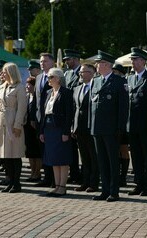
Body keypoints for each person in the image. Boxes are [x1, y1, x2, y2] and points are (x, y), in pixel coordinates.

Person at [90, 50, 129, 202]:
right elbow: (92, 105)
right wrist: (90, 125)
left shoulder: (119, 82)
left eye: (99, 63)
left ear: (106, 64)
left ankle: (114, 190)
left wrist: (120, 127)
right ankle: (105, 190)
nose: (97, 66)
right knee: (102, 160)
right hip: (97, 127)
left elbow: (123, 107)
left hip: (111, 128)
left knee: (113, 161)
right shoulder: (96, 81)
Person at [126, 48, 147, 196]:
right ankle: (138, 183)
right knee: (136, 156)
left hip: (146, 126)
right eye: (132, 60)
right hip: (132, 125)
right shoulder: (130, 78)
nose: (133, 62)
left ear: (143, 61)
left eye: (136, 59)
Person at [0, 62, 27, 193]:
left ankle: (16, 183)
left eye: (4, 71)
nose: (2, 74)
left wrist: (17, 125)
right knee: (4, 155)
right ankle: (9, 180)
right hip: (1, 123)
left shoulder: (19, 87)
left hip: (12, 122)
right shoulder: (1, 87)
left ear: (11, 72)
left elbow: (22, 108)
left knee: (14, 155)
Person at [39, 68, 73, 197]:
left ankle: (62, 186)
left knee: (62, 158)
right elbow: (43, 113)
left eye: (51, 77)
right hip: (49, 128)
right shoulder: (48, 92)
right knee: (53, 157)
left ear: (58, 78)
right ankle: (57, 185)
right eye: (48, 77)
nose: (48, 79)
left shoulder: (66, 93)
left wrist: (66, 132)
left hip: (59, 128)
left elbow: (69, 114)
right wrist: (41, 131)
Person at [72, 63, 99, 192]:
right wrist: (73, 126)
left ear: (92, 73)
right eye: (80, 72)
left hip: (92, 127)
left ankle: (93, 183)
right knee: (84, 157)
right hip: (80, 128)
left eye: (84, 72)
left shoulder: (96, 87)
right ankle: (85, 181)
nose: (80, 74)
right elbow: (75, 109)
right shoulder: (77, 88)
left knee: (93, 157)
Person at [34, 53, 54, 188]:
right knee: (43, 149)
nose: (42, 64)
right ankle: (46, 177)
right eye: (41, 61)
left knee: (52, 149)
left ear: (52, 62)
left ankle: (54, 179)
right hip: (39, 118)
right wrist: (33, 117)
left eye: (45, 61)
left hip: (51, 119)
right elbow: (36, 99)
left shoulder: (56, 76)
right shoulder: (39, 77)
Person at [63, 49, 82, 184]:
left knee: (84, 148)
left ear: (75, 59)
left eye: (68, 59)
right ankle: (74, 173)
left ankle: (85, 175)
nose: (66, 62)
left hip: (80, 114)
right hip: (69, 113)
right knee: (71, 147)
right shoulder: (67, 74)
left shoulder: (84, 73)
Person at [112, 63, 131, 187]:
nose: (113, 73)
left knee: (123, 149)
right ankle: (118, 175)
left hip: (124, 122)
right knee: (115, 150)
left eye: (116, 71)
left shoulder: (123, 83)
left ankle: (123, 176)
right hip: (113, 123)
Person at [24, 76, 42, 182]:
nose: (27, 86)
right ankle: (32, 172)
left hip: (35, 128)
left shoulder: (36, 97)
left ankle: (37, 173)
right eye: (27, 84)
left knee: (37, 152)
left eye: (30, 84)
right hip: (27, 127)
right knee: (29, 152)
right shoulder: (26, 97)